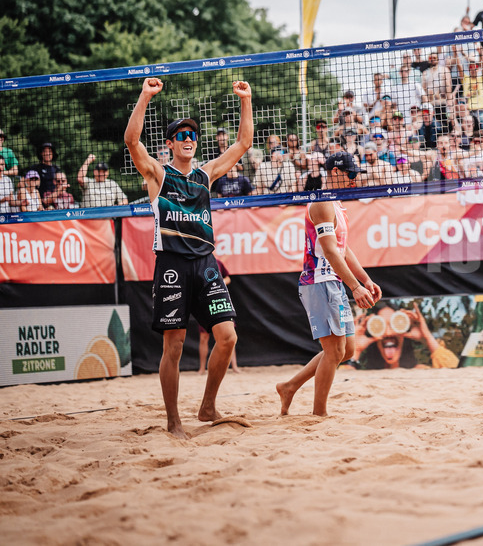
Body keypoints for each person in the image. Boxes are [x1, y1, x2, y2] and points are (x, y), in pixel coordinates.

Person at [124, 77, 253, 439]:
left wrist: (246, 100)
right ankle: (173, 421)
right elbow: (132, 141)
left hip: (205, 264)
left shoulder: (204, 174)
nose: (188, 140)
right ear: (170, 144)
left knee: (227, 337)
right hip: (172, 266)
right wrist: (145, 96)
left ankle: (208, 405)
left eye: (192, 135)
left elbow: (243, 143)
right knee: (174, 345)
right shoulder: (158, 175)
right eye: (181, 136)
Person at [275, 152, 381, 416]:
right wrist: (355, 287)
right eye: (351, 174)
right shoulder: (321, 203)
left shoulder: (337, 206)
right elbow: (331, 252)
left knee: (346, 350)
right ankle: (319, 413)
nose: (354, 180)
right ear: (334, 172)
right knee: (334, 351)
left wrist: (365, 280)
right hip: (319, 281)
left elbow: (344, 250)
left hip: (332, 281)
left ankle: (290, 386)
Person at [198, 258, 241, 375]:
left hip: (220, 300)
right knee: (204, 337)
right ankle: (202, 368)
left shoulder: (217, 262)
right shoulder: (197, 262)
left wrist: (218, 281)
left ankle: (234, 366)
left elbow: (228, 278)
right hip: (205, 302)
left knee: (229, 336)